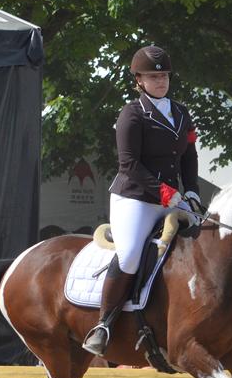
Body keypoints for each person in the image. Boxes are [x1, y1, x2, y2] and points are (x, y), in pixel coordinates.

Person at [82, 45, 201, 356]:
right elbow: (129, 165)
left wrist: (191, 191)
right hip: (134, 198)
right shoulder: (131, 114)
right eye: (153, 76)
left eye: (164, 76)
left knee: (205, 236)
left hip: (172, 197)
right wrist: (166, 192)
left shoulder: (181, 113)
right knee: (131, 253)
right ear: (139, 80)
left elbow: (189, 156)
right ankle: (104, 324)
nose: (161, 81)